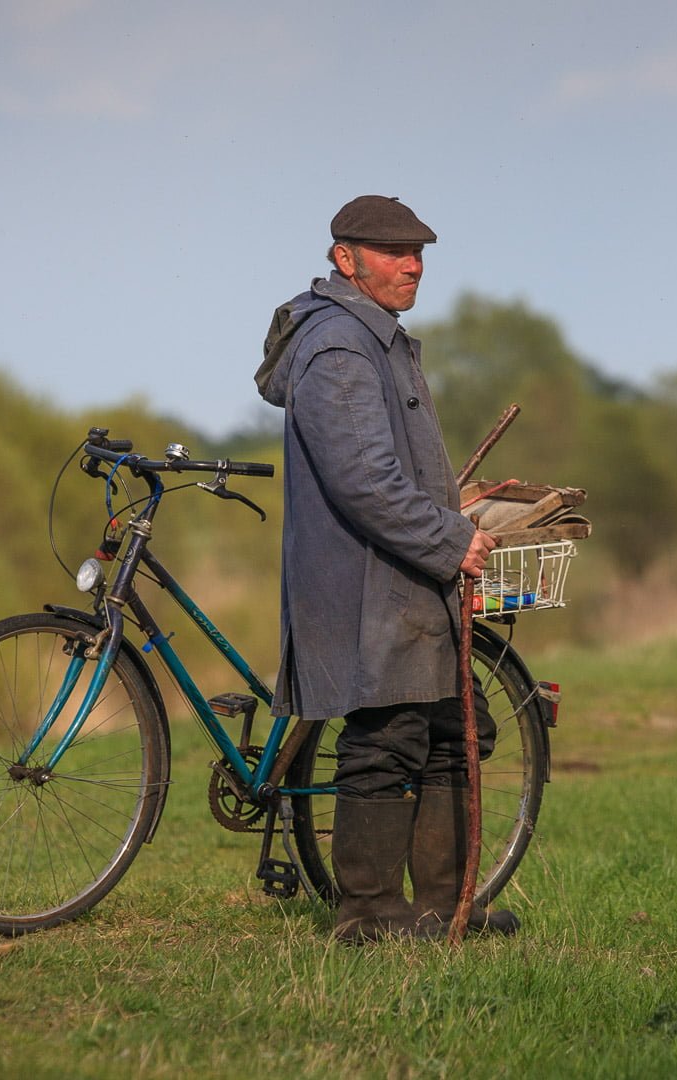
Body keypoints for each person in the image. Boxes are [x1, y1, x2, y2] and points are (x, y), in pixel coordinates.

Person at [255, 195, 518, 942]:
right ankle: (369, 916)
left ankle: (443, 909)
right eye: (394, 252)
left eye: (420, 253)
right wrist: (448, 539)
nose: (413, 265)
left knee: (451, 729)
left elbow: (385, 470)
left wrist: (450, 510)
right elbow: (363, 481)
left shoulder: (379, 336)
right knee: (385, 742)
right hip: (370, 582)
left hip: (405, 575)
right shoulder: (340, 345)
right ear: (346, 259)